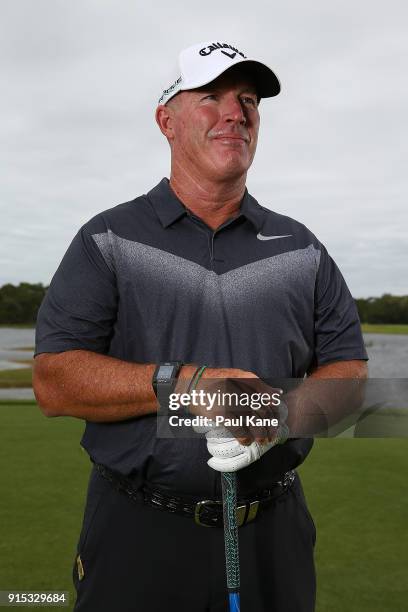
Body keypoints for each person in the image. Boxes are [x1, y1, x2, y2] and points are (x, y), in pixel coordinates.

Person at [33, 40, 368, 612]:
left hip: (273, 534)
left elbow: (350, 377)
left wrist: (277, 415)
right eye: (210, 97)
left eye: (247, 100)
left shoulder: (303, 249)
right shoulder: (106, 239)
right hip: (137, 535)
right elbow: (54, 381)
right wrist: (185, 387)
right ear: (166, 120)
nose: (235, 113)